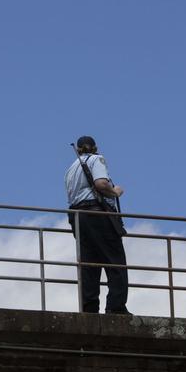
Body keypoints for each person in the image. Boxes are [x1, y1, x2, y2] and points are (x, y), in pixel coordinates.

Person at [64, 135, 130, 315]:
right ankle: (116, 307)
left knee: (89, 264)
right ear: (95, 147)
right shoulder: (96, 159)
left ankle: (89, 309)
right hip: (97, 214)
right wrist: (115, 192)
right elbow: (101, 183)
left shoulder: (70, 169)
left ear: (78, 150)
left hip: (78, 217)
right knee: (115, 261)